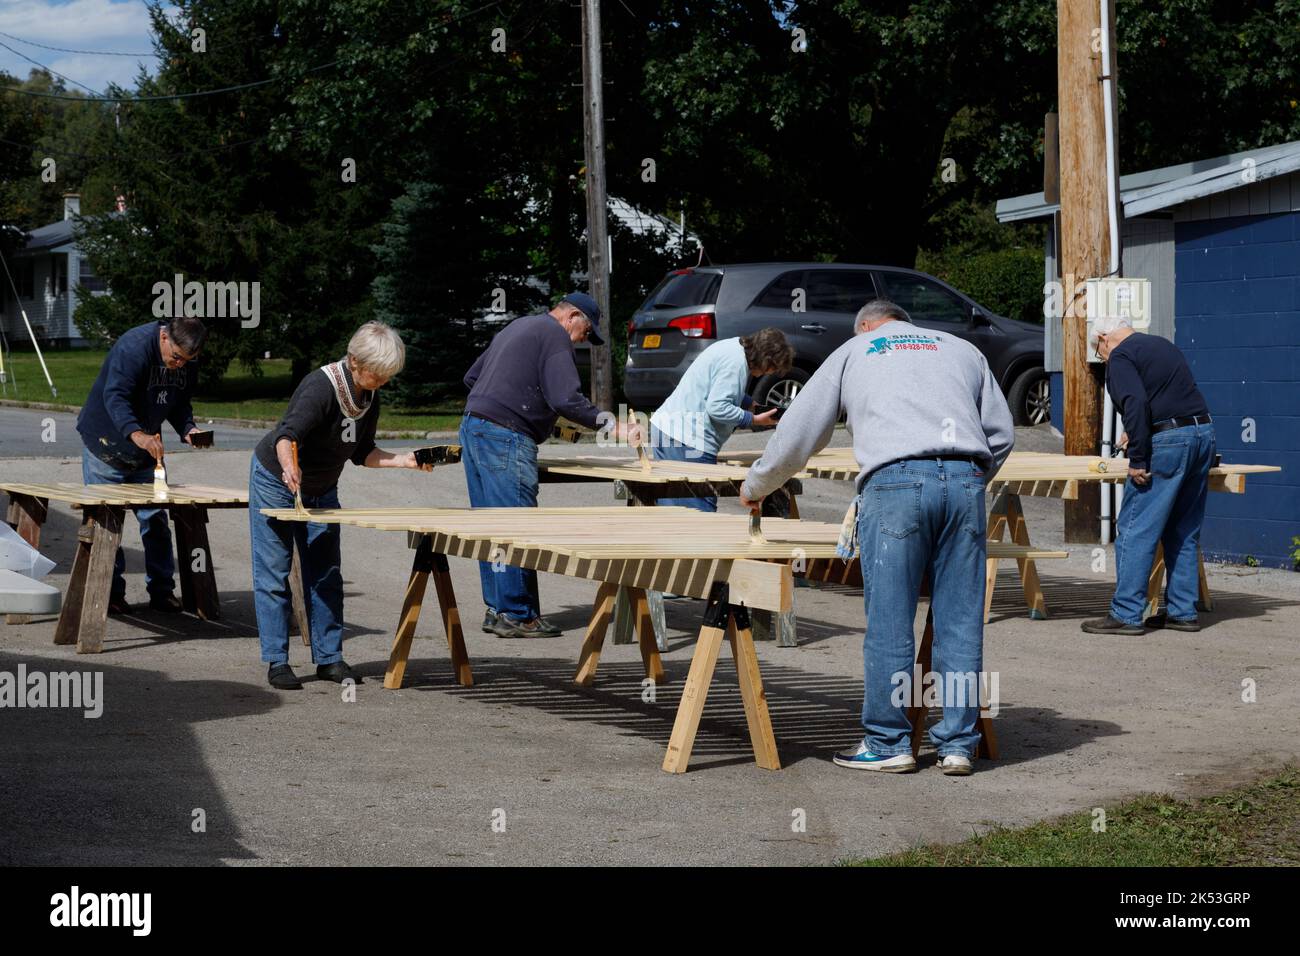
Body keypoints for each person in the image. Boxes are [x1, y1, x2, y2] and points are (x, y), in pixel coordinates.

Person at [740, 300, 1014, 776]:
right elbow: (1001, 433)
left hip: (895, 484)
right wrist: (964, 481)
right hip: (967, 480)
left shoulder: (856, 349)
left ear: (867, 325)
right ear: (906, 322)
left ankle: (889, 743)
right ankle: (957, 747)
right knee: (960, 622)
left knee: (890, 620)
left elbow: (800, 432)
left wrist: (757, 485)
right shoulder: (962, 349)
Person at [249, 321, 430, 690]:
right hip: (276, 480)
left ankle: (329, 658)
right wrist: (289, 467)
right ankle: (277, 661)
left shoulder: (369, 395)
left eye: (386, 376)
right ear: (353, 361)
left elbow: (362, 452)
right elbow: (286, 436)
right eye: (376, 375)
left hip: (323, 487)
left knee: (326, 572)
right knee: (275, 572)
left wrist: (405, 460)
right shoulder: (320, 387)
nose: (381, 382)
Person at [460, 292, 638, 639]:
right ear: (572, 317)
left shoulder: (520, 326)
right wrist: (612, 425)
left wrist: (537, 415)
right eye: (585, 332)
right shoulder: (555, 335)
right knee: (515, 524)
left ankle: (498, 609)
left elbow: (472, 378)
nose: (583, 340)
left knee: (490, 523)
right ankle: (518, 614)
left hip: (474, 426)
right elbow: (565, 398)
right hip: (506, 436)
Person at [1082, 318, 1215, 636]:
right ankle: (1182, 612)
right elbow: (1163, 397)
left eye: (1099, 353)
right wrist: (1136, 431)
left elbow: (1135, 401)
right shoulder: (1162, 346)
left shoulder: (1121, 356)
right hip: (1203, 434)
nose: (1102, 359)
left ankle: (1127, 613)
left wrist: (1138, 458)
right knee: (1182, 529)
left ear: (1104, 338)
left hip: (1169, 443)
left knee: (1134, 528)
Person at [76, 315, 208, 614]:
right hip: (105, 444)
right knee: (107, 523)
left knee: (155, 520)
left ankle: (162, 591)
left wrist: (188, 428)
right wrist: (138, 435)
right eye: (176, 358)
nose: (180, 365)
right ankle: (110, 593)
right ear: (164, 337)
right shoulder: (133, 347)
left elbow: (179, 401)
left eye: (188, 360)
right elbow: (115, 397)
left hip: (148, 451)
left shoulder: (185, 358)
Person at [649, 328, 792, 511]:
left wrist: (750, 404)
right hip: (688, 439)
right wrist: (753, 419)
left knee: (672, 511)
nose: (770, 373)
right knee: (700, 515)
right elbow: (717, 407)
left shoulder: (732, 347)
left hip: (666, 429)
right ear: (766, 360)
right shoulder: (737, 364)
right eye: (772, 368)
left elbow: (717, 387)